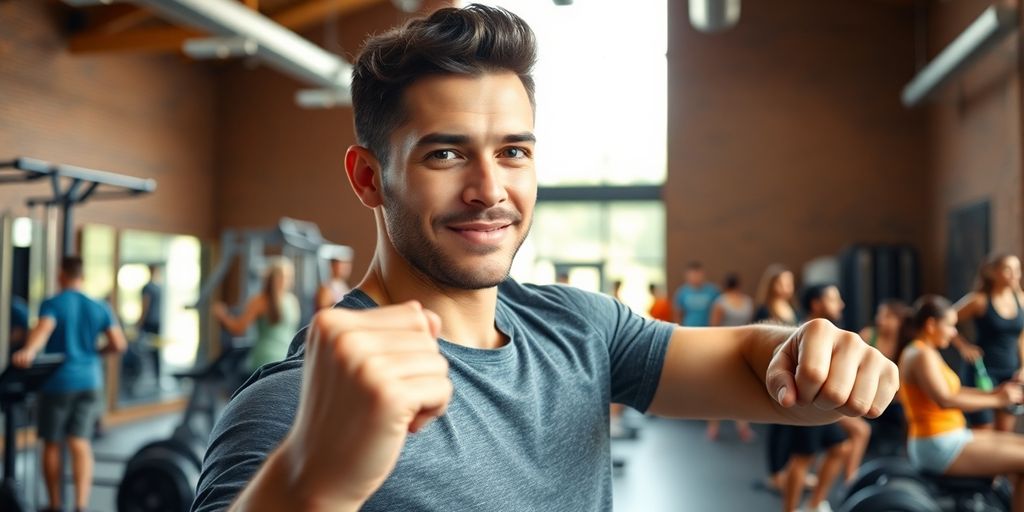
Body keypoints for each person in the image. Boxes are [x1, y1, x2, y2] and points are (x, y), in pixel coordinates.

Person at [191, 6, 897, 512]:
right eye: (445, 153)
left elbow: (755, 367)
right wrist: (312, 486)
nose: (489, 189)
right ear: (369, 177)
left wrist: (805, 352)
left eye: (513, 152)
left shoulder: (580, 329)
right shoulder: (293, 406)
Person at [11, 256, 127, 512]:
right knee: (80, 442)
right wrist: (96, 353)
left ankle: (54, 505)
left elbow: (43, 329)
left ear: (61, 275)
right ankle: (81, 505)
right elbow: (119, 344)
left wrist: (28, 351)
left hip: (59, 383)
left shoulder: (54, 303)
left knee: (52, 442)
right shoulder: (99, 306)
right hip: (90, 382)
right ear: (82, 276)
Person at [897, 295, 1024, 512]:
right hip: (938, 444)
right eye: (950, 326)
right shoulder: (920, 355)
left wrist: (996, 392)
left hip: (950, 437)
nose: (954, 333)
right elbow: (945, 399)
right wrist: (997, 399)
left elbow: (952, 392)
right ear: (931, 325)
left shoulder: (925, 352)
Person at [803, 284, 870, 485]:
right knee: (803, 458)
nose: (841, 304)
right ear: (816, 304)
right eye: (833, 299)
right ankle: (849, 484)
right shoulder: (805, 333)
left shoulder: (830, 334)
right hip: (808, 405)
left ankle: (846, 485)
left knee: (842, 445)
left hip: (822, 404)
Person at [952, 254, 1024, 431]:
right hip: (982, 371)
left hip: (1011, 373)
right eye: (1008, 269)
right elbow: (944, 319)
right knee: (984, 429)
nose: (1015, 274)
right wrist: (963, 346)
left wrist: (1023, 368)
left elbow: (1022, 338)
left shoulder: (1021, 299)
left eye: (1017, 269)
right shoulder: (979, 300)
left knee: (1004, 433)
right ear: (993, 273)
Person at [213, 257, 300, 373]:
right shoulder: (292, 301)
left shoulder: (259, 301)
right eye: (289, 277)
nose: (291, 280)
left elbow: (239, 329)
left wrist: (222, 315)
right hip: (286, 359)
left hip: (267, 360)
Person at [707, 272, 755, 442]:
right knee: (741, 389)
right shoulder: (747, 302)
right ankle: (742, 427)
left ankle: (713, 427)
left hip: (725, 348)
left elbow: (714, 327)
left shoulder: (720, 302)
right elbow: (750, 325)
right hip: (741, 348)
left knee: (719, 389)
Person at [137, 264, 164, 387]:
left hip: (149, 322)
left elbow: (145, 306)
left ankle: (146, 376)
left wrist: (140, 322)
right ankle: (157, 377)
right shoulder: (158, 288)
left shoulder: (148, 288)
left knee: (145, 350)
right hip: (157, 322)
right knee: (155, 351)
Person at [674, 261, 719, 326]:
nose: (695, 277)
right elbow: (678, 313)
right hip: (688, 328)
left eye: (697, 274)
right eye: (692, 274)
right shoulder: (682, 292)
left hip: (707, 328)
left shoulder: (713, 291)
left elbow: (717, 313)